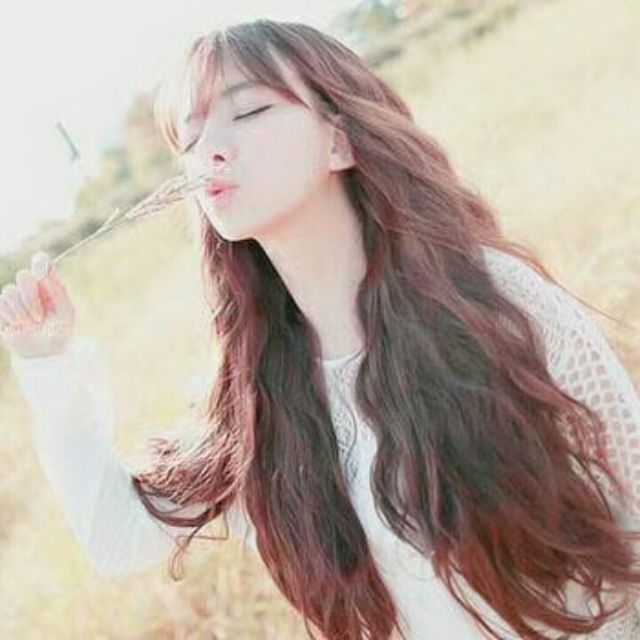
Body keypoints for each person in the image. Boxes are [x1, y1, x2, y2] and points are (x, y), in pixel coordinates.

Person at [2, 18, 640, 640]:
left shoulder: (492, 302)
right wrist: (47, 363)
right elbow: (116, 537)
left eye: (248, 111)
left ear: (340, 141)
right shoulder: (257, 403)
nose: (210, 150)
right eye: (189, 138)